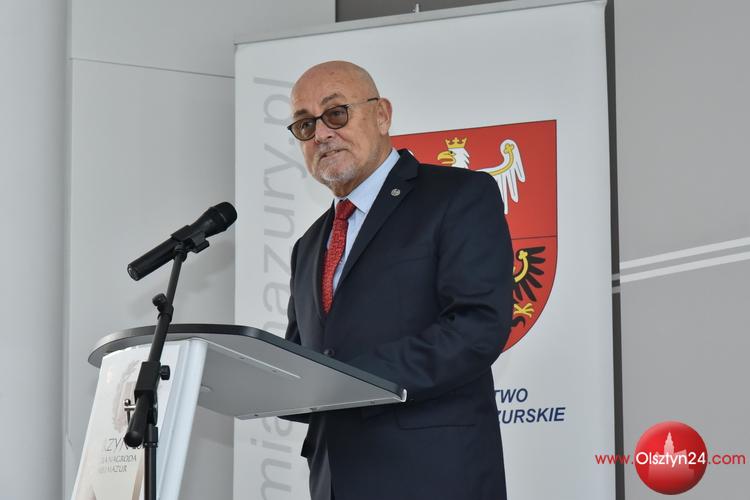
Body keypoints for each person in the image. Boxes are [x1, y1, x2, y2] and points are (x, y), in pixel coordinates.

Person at [283, 60, 513, 500]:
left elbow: (478, 327)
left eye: (336, 114)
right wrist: (250, 382)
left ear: (382, 115)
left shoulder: (458, 196)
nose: (321, 134)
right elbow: (306, 360)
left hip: (434, 478)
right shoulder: (308, 246)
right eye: (305, 124)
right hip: (335, 482)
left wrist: (349, 380)